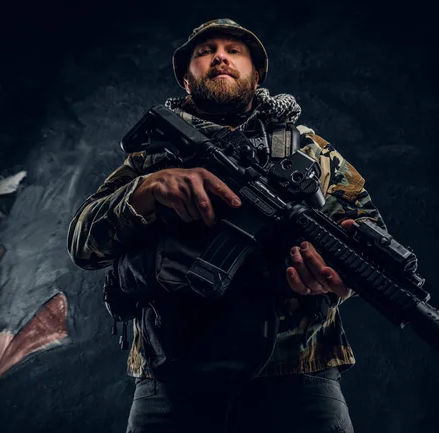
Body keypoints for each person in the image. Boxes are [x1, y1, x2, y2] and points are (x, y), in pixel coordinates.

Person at [67, 18, 387, 433]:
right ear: (186, 79)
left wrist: (339, 280)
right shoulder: (152, 156)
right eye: (205, 51)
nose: (220, 56)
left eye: (234, 51)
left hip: (298, 372)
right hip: (171, 377)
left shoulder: (310, 150)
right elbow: (81, 243)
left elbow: (368, 240)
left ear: (256, 75)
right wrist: (147, 189)